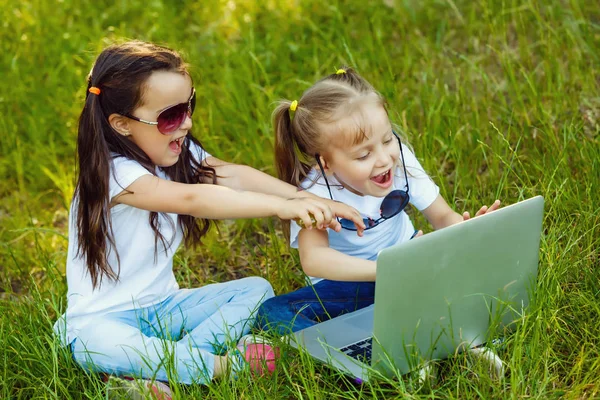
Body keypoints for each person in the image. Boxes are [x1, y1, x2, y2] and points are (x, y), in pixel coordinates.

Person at [53, 42, 365, 393]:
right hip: (101, 322)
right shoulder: (115, 174)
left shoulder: (178, 151)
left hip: (164, 309)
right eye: (170, 116)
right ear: (122, 124)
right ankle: (227, 367)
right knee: (98, 342)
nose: (186, 123)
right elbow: (192, 198)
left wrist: (306, 198)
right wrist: (280, 207)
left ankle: (164, 368)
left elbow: (230, 174)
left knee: (256, 290)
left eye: (189, 105)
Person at [256, 67, 503, 377]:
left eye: (387, 140)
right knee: (273, 313)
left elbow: (442, 216)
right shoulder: (314, 193)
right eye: (363, 155)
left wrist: (471, 232)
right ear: (327, 163)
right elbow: (314, 260)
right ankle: (385, 353)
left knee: (475, 275)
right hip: (352, 287)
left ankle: (456, 340)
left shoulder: (400, 159)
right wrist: (383, 272)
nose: (384, 159)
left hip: (413, 263)